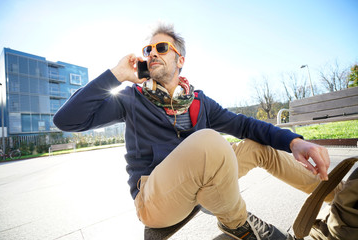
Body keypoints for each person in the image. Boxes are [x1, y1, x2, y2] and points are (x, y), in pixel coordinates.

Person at [53, 23, 341, 240]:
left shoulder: (199, 101)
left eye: (161, 48)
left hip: (199, 185)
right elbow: (67, 120)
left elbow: (245, 125)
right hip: (155, 198)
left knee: (258, 147)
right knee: (209, 141)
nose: (152, 53)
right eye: (148, 50)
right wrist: (117, 75)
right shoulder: (131, 98)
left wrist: (293, 141)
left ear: (180, 60)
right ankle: (239, 225)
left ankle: (339, 197)